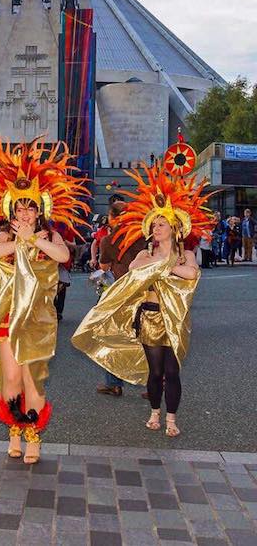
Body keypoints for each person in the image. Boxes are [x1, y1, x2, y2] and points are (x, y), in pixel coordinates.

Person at [0, 138, 89, 464]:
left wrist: (32, 238)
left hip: (39, 319)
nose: (26, 211)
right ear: (11, 210)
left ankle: (32, 436)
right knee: (12, 379)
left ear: (40, 208)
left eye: (31, 206)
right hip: (7, 319)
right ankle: (14, 430)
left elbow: (61, 256)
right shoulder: (5, 236)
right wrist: (20, 240)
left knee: (33, 378)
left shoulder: (50, 237)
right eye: (20, 207)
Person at [73, 161, 211, 437]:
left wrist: (165, 264)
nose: (157, 228)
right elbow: (135, 271)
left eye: (163, 224)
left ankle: (171, 418)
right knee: (155, 370)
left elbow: (191, 274)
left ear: (174, 228)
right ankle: (155, 412)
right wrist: (160, 263)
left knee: (173, 371)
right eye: (155, 224)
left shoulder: (186, 255)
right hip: (149, 316)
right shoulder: (144, 255)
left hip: (176, 319)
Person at [94, 200, 146, 397]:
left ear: (113, 217)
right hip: (144, 290)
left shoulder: (109, 239)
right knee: (145, 337)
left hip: (120, 291)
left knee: (114, 337)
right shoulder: (142, 237)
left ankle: (114, 383)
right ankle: (154, 384)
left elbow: (104, 267)